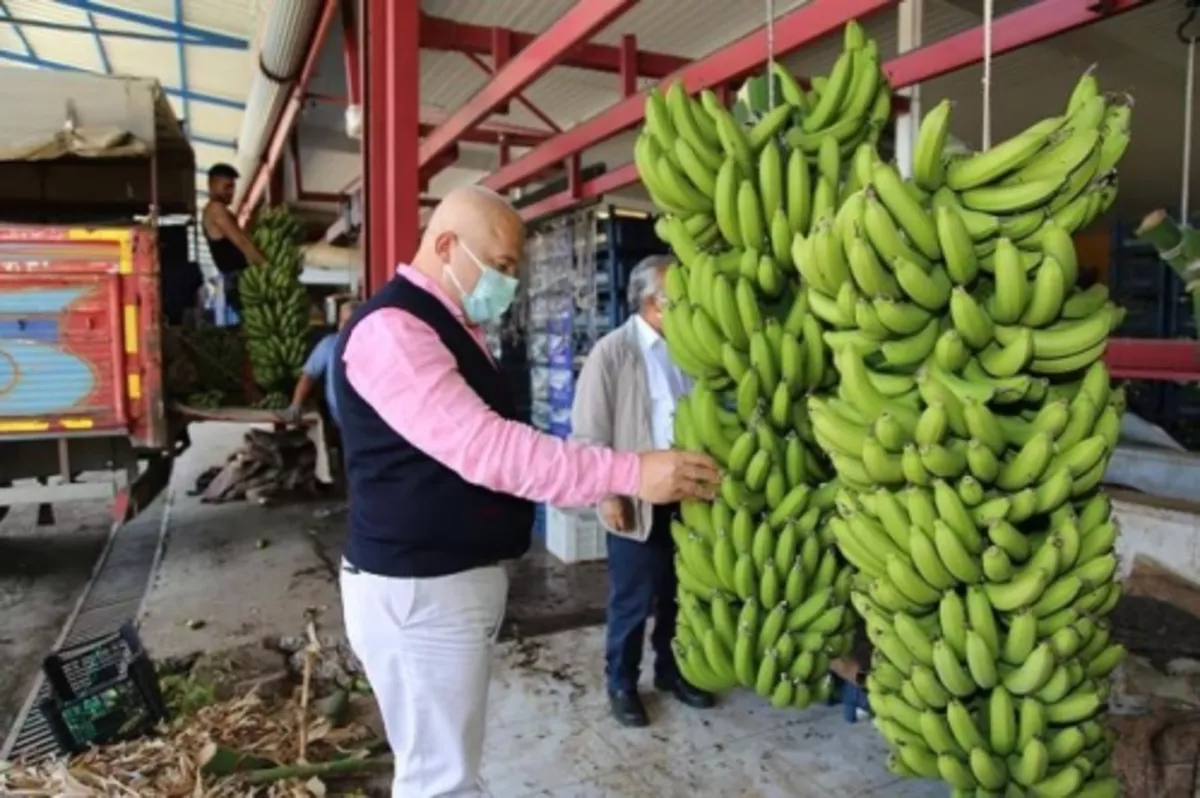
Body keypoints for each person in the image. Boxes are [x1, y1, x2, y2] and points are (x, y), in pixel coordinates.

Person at [331, 185, 721, 798]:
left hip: (443, 586)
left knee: (452, 765)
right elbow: (489, 449)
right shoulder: (393, 333)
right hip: (418, 594)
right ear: (445, 245)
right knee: (440, 780)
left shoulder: (445, 325)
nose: (509, 284)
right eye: (503, 266)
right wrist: (628, 472)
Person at [571, 255, 715, 727]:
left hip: (688, 496)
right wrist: (606, 494)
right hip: (636, 500)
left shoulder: (690, 350)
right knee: (633, 599)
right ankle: (622, 683)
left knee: (678, 594)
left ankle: (671, 672)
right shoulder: (612, 353)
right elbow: (588, 434)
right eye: (681, 297)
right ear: (655, 302)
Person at [202, 163, 265, 315]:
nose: (232, 192)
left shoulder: (218, 211)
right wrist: (265, 266)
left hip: (237, 279)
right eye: (227, 186)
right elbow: (242, 242)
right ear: (213, 184)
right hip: (238, 280)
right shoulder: (216, 210)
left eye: (233, 187)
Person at [287, 299, 358, 426]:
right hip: (339, 420)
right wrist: (296, 404)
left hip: (365, 419)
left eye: (349, 321)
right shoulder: (329, 344)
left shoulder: (370, 345)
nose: (344, 326)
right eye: (342, 321)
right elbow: (309, 375)